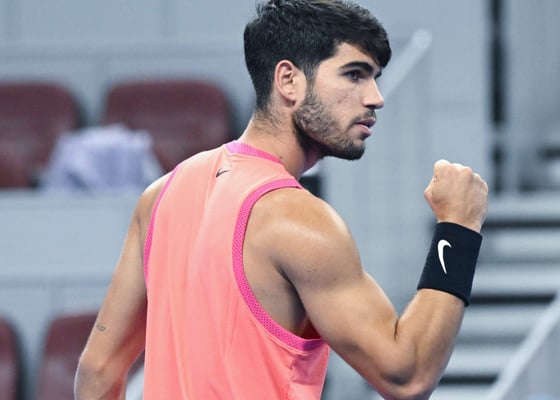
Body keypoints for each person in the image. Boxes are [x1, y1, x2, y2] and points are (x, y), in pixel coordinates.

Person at [74, 0, 488, 399]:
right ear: (289, 80)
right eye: (354, 75)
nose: (375, 97)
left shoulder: (160, 195)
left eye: (374, 77)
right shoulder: (297, 219)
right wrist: (458, 226)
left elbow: (97, 372)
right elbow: (408, 376)